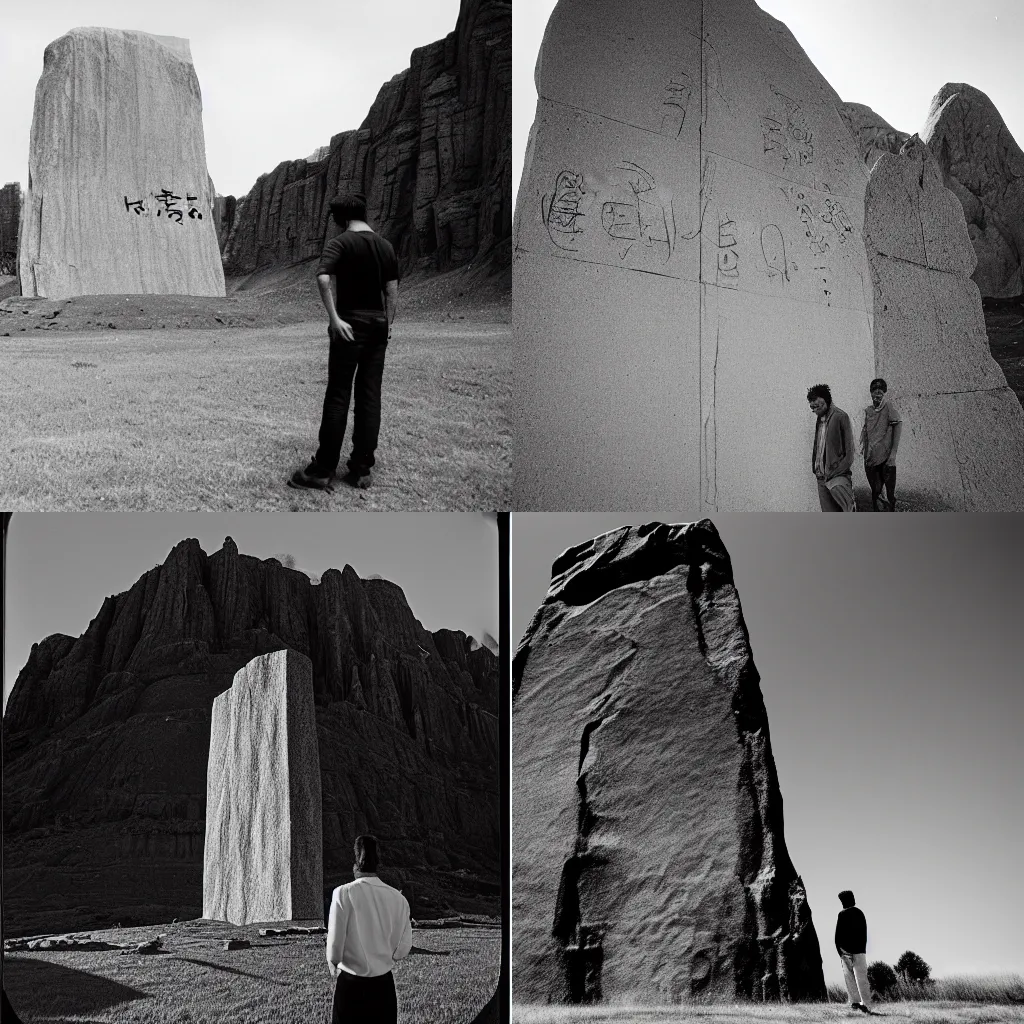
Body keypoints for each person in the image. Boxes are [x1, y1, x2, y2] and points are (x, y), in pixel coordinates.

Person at [289, 193, 400, 492]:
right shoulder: (385, 246)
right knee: (369, 396)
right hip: (378, 325)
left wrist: (335, 318)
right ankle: (362, 469)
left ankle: (322, 470)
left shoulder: (339, 243)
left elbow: (323, 279)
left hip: (349, 324)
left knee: (338, 395)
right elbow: (391, 290)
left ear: (341, 218)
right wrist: (387, 324)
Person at [326, 834, 412, 1024]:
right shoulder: (399, 899)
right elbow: (402, 951)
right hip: (383, 988)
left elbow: (334, 950)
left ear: (355, 864)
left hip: (350, 987)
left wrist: (333, 965)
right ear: (378, 862)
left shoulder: (343, 893)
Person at [807, 384, 856, 511]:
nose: (815, 410)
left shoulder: (841, 416)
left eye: (818, 406)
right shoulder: (819, 419)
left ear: (826, 400)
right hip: (820, 478)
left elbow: (850, 453)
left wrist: (836, 472)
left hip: (836, 478)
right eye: (813, 408)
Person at [860, 378, 902, 511]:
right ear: (870, 393)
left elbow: (898, 425)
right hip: (871, 460)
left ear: (884, 393)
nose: (877, 395)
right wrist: (865, 456)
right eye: (874, 392)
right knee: (876, 494)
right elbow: (865, 435)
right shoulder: (868, 411)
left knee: (890, 496)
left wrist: (893, 455)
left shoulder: (888, 407)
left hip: (886, 460)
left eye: (880, 392)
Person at [836, 890, 871, 1013]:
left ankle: (855, 1002)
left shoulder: (842, 914)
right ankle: (865, 1004)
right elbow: (864, 933)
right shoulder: (859, 913)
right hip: (859, 950)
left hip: (846, 951)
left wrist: (840, 951)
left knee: (849, 977)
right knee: (862, 977)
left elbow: (837, 936)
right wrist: (862, 948)